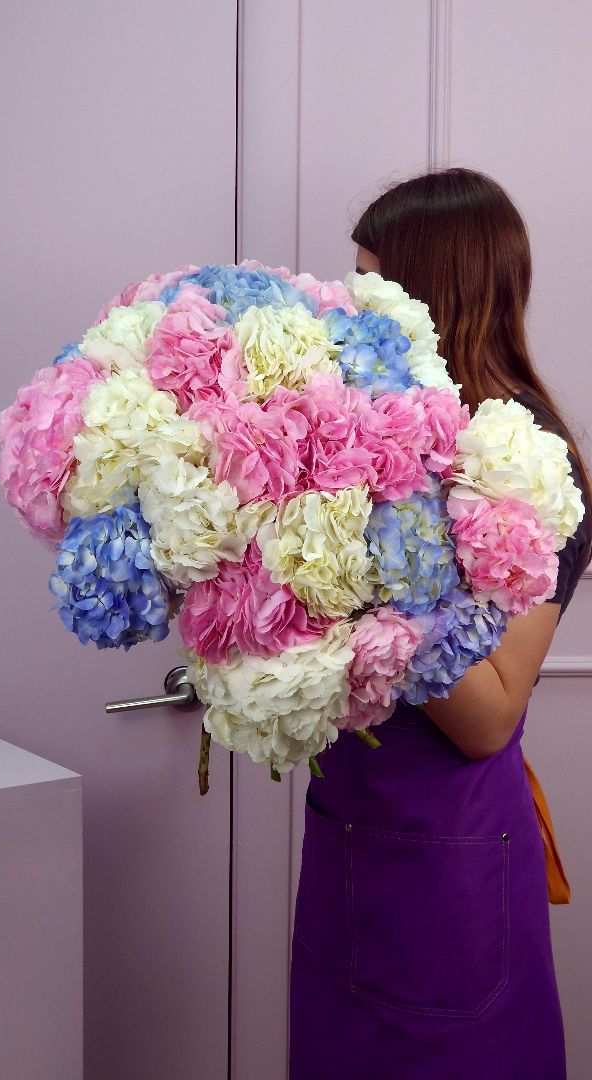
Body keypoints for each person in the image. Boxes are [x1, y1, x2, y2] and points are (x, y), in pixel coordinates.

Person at [288, 167, 592, 1080]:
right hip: (353, 832)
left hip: (450, 866)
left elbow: (488, 716)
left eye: (370, 284)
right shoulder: (363, 428)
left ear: (433, 294)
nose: (349, 308)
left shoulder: (531, 459)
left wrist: (359, 559)